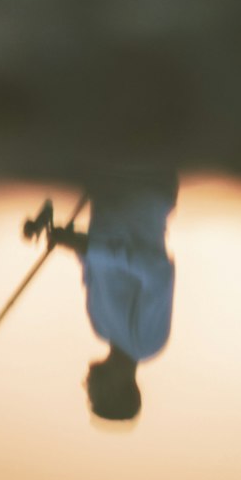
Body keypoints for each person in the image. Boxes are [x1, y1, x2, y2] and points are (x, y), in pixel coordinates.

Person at [50, 167, 178, 422]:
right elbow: (158, 273)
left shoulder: (99, 326)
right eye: (94, 396)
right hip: (146, 187)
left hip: (107, 187)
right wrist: (87, 247)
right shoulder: (147, 342)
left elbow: (93, 264)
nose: (87, 387)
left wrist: (68, 240)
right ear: (116, 392)